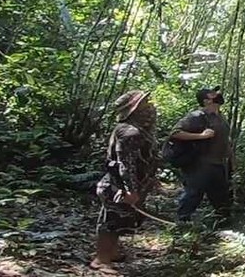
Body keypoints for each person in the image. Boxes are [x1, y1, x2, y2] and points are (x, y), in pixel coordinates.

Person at [92, 89, 157, 269]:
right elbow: (126, 164)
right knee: (110, 222)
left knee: (119, 220)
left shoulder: (137, 131)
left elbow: (143, 160)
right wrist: (130, 189)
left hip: (120, 185)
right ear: (134, 110)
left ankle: (111, 253)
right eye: (145, 104)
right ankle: (101, 259)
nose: (150, 107)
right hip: (116, 186)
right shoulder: (130, 133)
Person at [170, 86, 232, 222]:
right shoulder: (196, 116)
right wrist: (200, 136)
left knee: (221, 196)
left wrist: (231, 156)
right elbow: (175, 133)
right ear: (206, 101)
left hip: (218, 164)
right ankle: (182, 224)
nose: (218, 94)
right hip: (199, 164)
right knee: (193, 194)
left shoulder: (220, 116)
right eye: (213, 94)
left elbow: (225, 139)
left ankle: (223, 224)